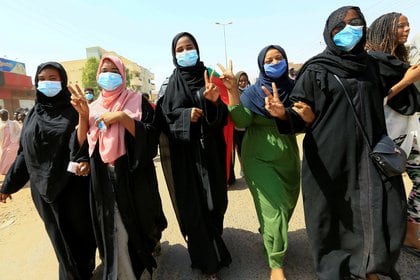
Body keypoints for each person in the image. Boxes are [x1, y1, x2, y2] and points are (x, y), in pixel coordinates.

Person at [264, 6, 420, 279]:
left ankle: (370, 265)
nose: (348, 30)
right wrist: (284, 114)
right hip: (329, 155)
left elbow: (401, 86)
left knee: (382, 209)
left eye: (355, 23)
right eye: (340, 27)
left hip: (371, 152)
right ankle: (342, 269)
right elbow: (299, 117)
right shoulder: (315, 70)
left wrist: (406, 79)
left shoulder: (374, 64)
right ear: (329, 32)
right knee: (336, 215)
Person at [217, 46, 313, 280]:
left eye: (279, 58)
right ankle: (276, 263)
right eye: (269, 59)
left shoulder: (296, 89)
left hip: (288, 155)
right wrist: (232, 93)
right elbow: (241, 121)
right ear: (261, 64)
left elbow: (304, 122)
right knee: (274, 208)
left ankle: (270, 235)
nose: (274, 62)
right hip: (257, 157)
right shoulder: (251, 92)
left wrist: (284, 114)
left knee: (288, 202)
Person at [69, 55, 167, 279]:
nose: (108, 75)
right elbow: (81, 147)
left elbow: (151, 138)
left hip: (133, 177)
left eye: (114, 70)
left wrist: (123, 117)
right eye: (104, 70)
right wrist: (84, 117)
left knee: (140, 226)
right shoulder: (91, 107)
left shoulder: (136, 101)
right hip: (103, 180)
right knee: (115, 232)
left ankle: (145, 253)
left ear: (122, 75)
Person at [0, 62, 97, 279]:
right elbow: (25, 154)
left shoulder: (74, 110)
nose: (48, 82)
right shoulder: (33, 114)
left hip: (72, 188)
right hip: (43, 191)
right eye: (43, 78)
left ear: (62, 81)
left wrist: (83, 117)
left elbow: (79, 145)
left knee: (80, 235)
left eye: (53, 78)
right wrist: (7, 186)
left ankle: (85, 269)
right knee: (59, 240)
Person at [155, 32, 231, 279]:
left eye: (190, 47)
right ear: (174, 55)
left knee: (215, 202)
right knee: (194, 208)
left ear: (197, 49)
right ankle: (208, 263)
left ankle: (214, 240)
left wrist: (212, 103)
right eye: (180, 49)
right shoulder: (169, 84)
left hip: (211, 154)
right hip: (185, 158)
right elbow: (164, 120)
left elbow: (222, 119)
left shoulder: (209, 78)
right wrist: (187, 116)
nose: (185, 52)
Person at [366, 12, 420, 257]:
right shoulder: (371, 61)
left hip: (411, 131)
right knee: (384, 192)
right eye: (401, 25)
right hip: (386, 137)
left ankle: (410, 233)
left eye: (408, 24)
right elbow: (371, 99)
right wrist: (407, 80)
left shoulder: (401, 58)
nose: (407, 29)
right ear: (385, 28)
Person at [232, 71, 250, 178]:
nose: (243, 83)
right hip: (238, 128)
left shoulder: (251, 92)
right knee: (240, 149)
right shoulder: (234, 93)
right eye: (241, 81)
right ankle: (242, 168)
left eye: (245, 80)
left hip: (250, 126)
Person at [0, 109, 21, 175]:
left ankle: (9, 170)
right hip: (3, 144)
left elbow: (20, 131)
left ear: (8, 115)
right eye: (2, 115)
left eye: (5, 114)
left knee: (9, 155)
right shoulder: (0, 124)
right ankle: (4, 171)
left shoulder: (13, 123)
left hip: (13, 143)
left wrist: (16, 139)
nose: (4, 116)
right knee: (3, 157)